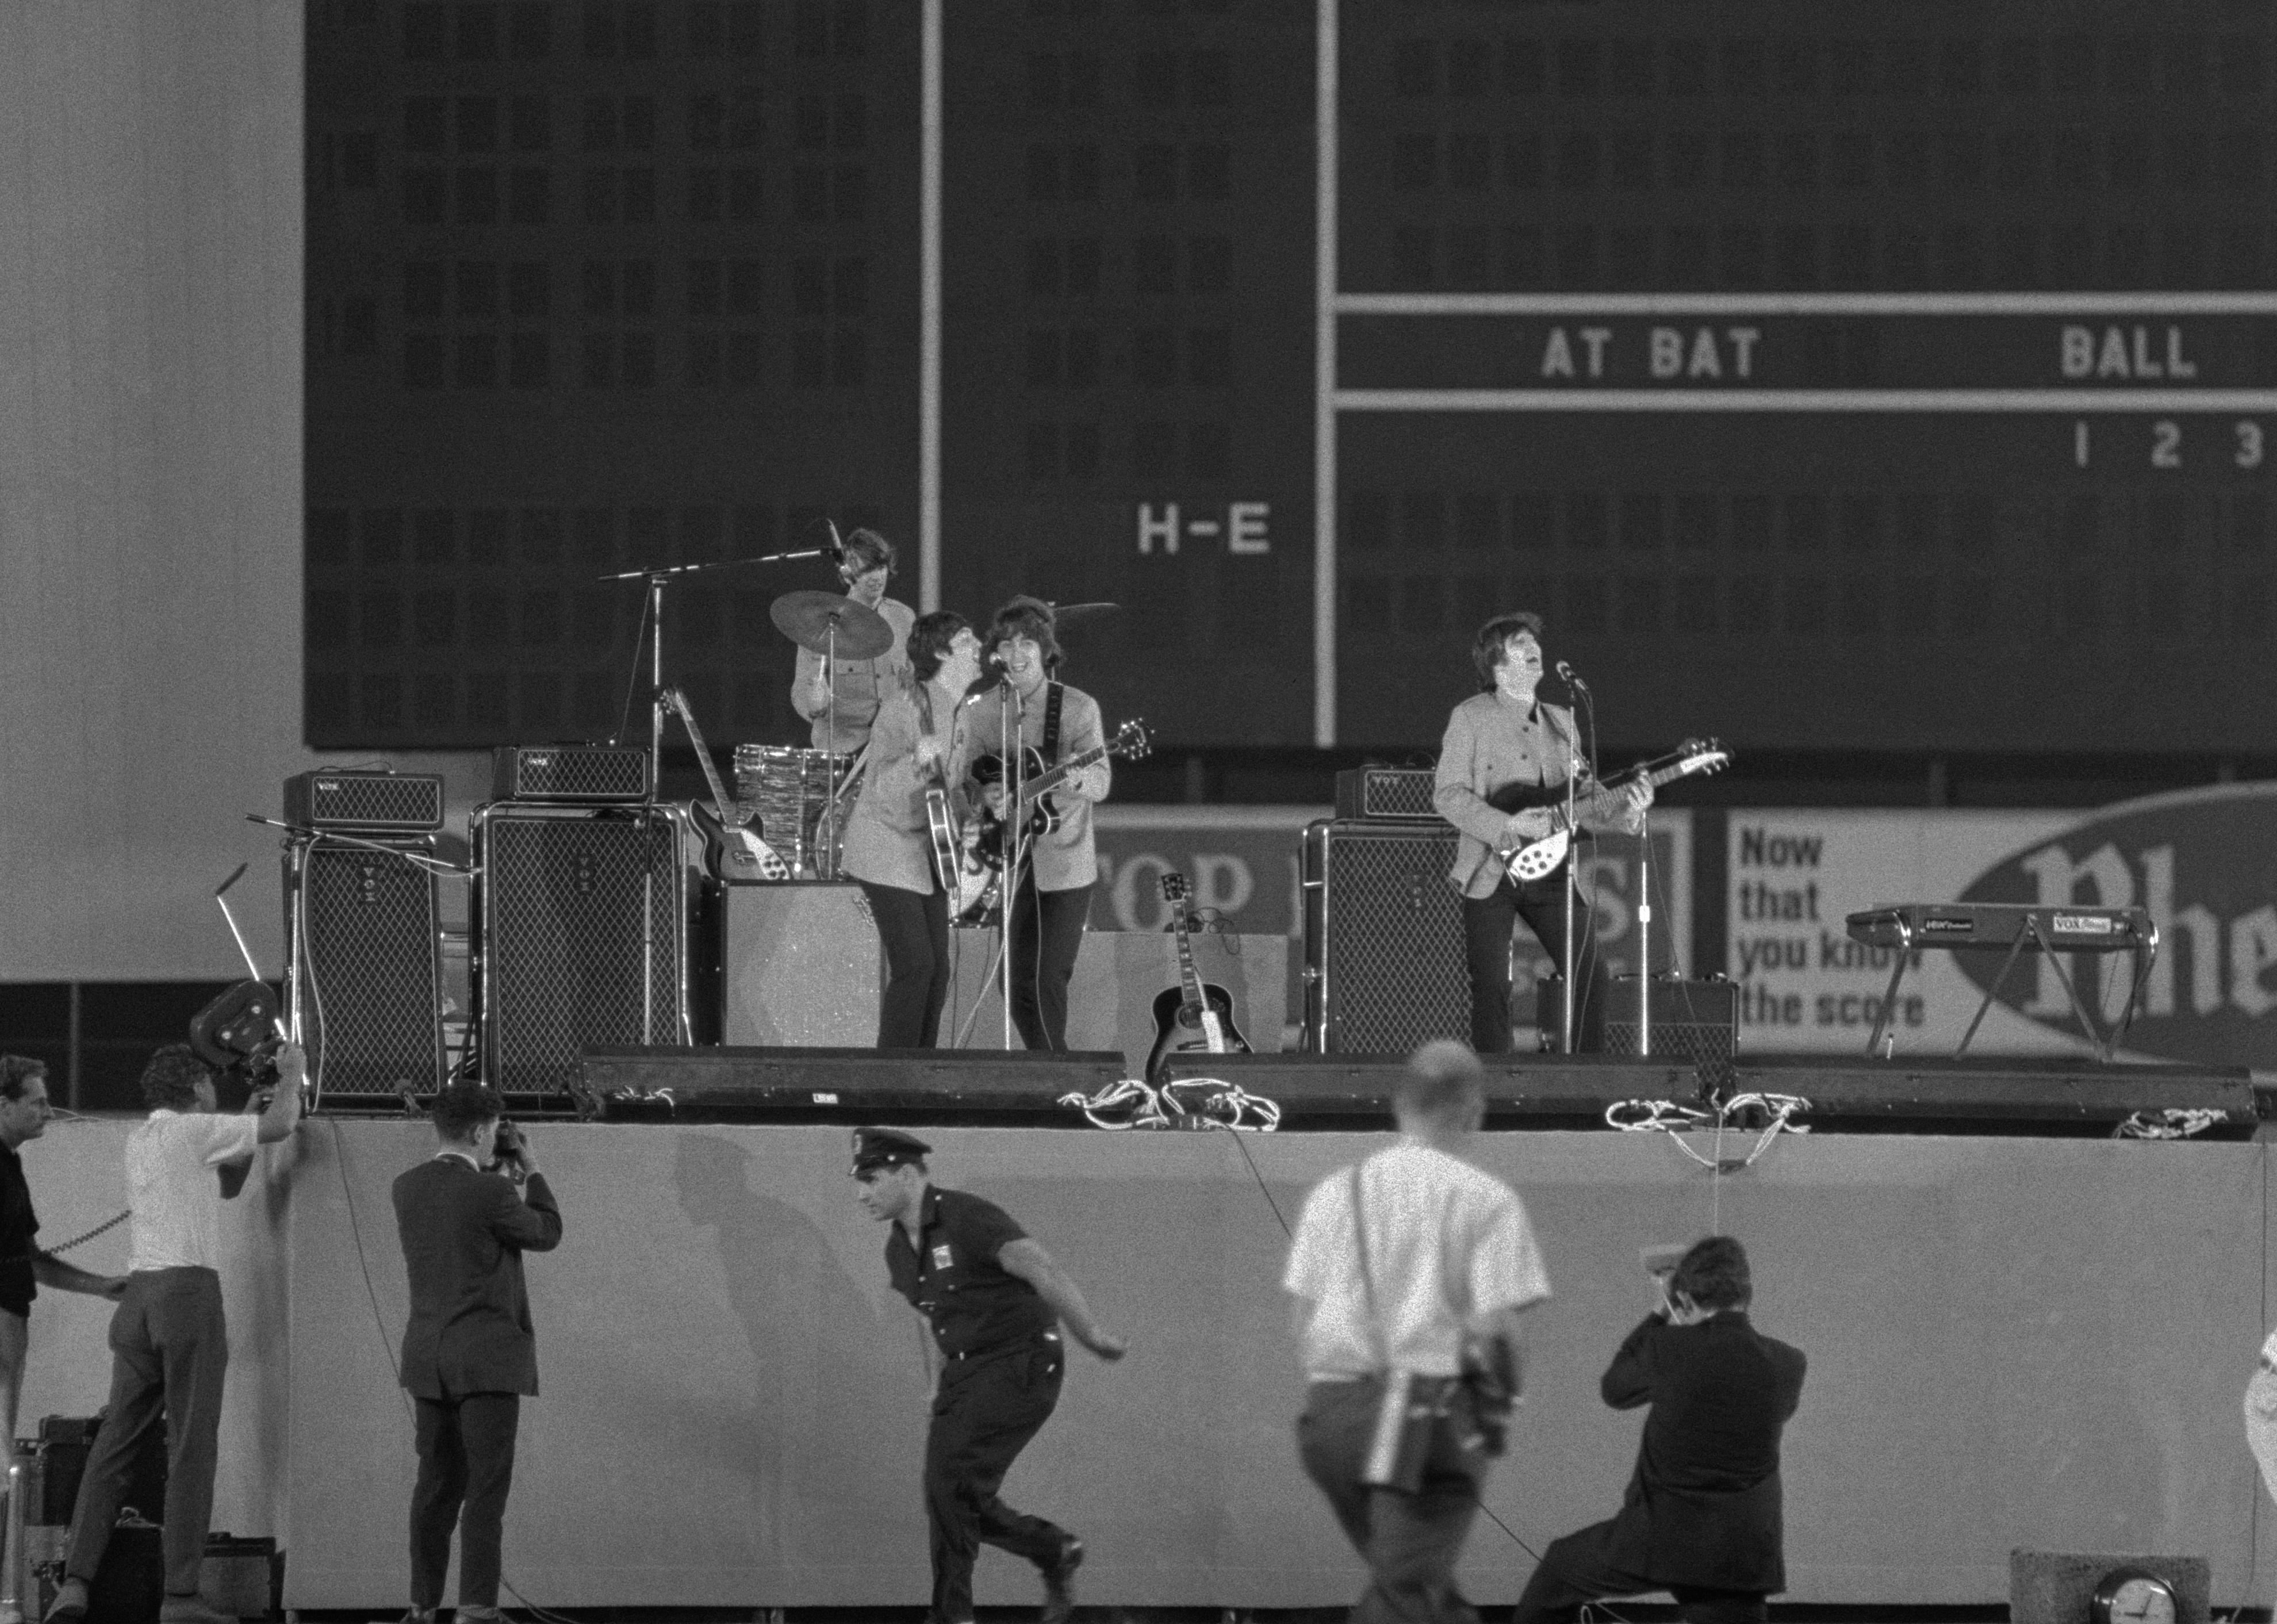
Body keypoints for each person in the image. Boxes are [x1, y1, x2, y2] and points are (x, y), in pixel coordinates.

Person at [1283, 1040, 1551, 1624]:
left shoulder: (1334, 1193)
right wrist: (1503, 1406)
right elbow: (1497, 1330)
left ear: (1398, 1105)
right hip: (1428, 1419)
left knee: (1417, 1585)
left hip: (1332, 1423)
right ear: (1472, 1110)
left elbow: (1303, 1325)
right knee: (1407, 1593)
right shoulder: (1486, 1200)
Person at [48, 1042, 304, 1624]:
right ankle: (181, 1596)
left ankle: (76, 1583)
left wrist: (244, 1110)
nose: (215, 1095)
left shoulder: (144, 1139)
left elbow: (230, 1183)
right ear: (194, 1090)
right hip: (188, 1298)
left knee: (114, 1446)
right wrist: (293, 1073)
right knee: (191, 1447)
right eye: (210, 1088)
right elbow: (284, 1123)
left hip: (138, 1301)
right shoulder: (194, 1132)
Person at [849, 1127, 1125, 1624]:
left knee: (949, 1485)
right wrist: (935, 1385)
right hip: (965, 1373)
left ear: (907, 1174)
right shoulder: (897, 1249)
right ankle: (1053, 1549)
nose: (862, 1193)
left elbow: (1046, 1271)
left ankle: (953, 1615)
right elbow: (928, 1318)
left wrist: (1093, 1336)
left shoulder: (968, 1217)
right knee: (947, 1492)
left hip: (1020, 1362)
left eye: (872, 1179)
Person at [1511, 1236, 1807, 1624]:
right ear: (1746, 1293)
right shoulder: (1789, 1363)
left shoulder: (1669, 1347)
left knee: (1559, 1571)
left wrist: (1660, 1310)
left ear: (1685, 1301)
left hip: (1657, 1540)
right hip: (1740, 1554)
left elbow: (1615, 1390)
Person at [1434, 611, 1650, 1055]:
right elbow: (1448, 794)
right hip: (1491, 871)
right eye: (1519, 644)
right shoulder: (1471, 717)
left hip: (1552, 871)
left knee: (1591, 970)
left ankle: (1588, 1080)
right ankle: (1496, 1083)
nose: (1534, 650)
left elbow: (1586, 801)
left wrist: (1629, 812)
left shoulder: (1562, 721)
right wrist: (1506, 824)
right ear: (1497, 664)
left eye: (1535, 643)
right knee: (1493, 984)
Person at [391, 1082, 562, 1624]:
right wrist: (530, 1170)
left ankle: (421, 1607)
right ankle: (476, 1609)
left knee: (436, 1486)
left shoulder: (407, 1187)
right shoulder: (491, 1194)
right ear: (481, 1131)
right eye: (494, 1130)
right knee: (485, 1491)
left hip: (428, 1358)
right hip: (485, 1361)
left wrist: (497, 1176)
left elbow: (462, 1218)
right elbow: (546, 1233)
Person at [955, 597, 1109, 1051]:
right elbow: (964, 779)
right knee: (1014, 979)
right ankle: (1049, 1065)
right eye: (1007, 643)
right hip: (1010, 859)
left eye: (1027, 642)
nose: (1017, 652)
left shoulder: (1080, 709)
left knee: (1047, 977)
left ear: (1045, 651)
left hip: (1065, 863)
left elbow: (1100, 781)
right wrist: (984, 796)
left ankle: (1054, 1071)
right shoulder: (982, 711)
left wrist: (1079, 776)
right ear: (996, 653)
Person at [841, 611, 986, 1047]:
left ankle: (922, 1071)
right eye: (966, 639)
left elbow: (952, 787)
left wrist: (972, 814)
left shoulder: (962, 714)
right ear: (941, 653)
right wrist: (916, 763)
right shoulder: (904, 709)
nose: (979, 645)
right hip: (885, 847)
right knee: (915, 966)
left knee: (938, 969)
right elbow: (882, 794)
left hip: (928, 850)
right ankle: (893, 1078)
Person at [0, 1056, 128, 1449]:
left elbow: (30, 1257)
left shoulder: (11, 1164)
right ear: (5, 1106)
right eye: (37, 1103)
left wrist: (101, 1286)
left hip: (13, 1319)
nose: (49, 1112)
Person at [791, 526, 916, 755]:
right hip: (843, 751)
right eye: (867, 570)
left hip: (893, 748)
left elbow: (914, 683)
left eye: (881, 567)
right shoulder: (822, 623)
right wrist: (815, 705)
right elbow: (802, 690)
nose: (877, 576)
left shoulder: (904, 618)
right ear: (847, 575)